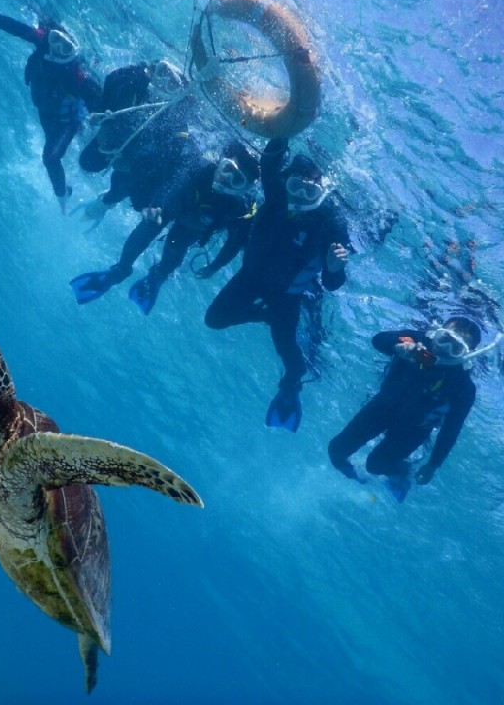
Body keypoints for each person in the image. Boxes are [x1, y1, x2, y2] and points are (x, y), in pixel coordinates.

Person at [204, 136, 350, 432]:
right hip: (249, 280)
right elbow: (269, 163)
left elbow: (333, 283)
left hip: (287, 298)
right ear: (287, 182)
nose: (299, 197)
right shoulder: (277, 197)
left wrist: (335, 269)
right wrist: (283, 131)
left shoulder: (331, 222)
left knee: (293, 362)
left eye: (309, 191)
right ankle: (264, 315)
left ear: (323, 190)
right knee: (213, 319)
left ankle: (290, 390)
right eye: (295, 186)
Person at [70, 141, 259, 310]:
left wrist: (215, 266)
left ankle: (158, 276)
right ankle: (121, 269)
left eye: (237, 180)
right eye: (227, 168)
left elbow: (236, 242)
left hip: (194, 222)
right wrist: (156, 207)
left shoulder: (238, 207)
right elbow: (173, 185)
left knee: (178, 243)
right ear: (222, 161)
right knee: (150, 224)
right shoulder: (200, 166)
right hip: (175, 203)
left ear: (244, 189)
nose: (225, 179)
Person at [0, 3, 102, 208]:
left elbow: (96, 96)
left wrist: (99, 114)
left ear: (73, 53)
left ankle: (62, 195)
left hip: (66, 121)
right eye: (56, 40)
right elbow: (10, 25)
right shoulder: (42, 41)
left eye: (65, 47)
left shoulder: (75, 74)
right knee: (52, 152)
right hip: (45, 113)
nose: (57, 49)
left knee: (50, 158)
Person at [327, 317, 483, 501]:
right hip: (382, 408)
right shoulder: (415, 343)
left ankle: (402, 470)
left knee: (375, 466)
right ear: (435, 334)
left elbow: (451, 429)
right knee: (336, 450)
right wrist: (397, 346)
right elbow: (379, 340)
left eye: (455, 348)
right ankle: (356, 481)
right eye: (443, 339)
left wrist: (433, 464)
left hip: (413, 430)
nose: (444, 350)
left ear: (466, 355)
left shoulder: (462, 385)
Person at [75, 59, 200, 224]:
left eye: (171, 84)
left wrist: (131, 165)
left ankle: (106, 201)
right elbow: (112, 82)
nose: (162, 84)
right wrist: (102, 117)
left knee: (135, 198)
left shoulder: (175, 122)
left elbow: (165, 164)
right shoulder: (134, 83)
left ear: (178, 95)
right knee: (88, 163)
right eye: (162, 73)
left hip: (135, 158)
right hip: (114, 137)